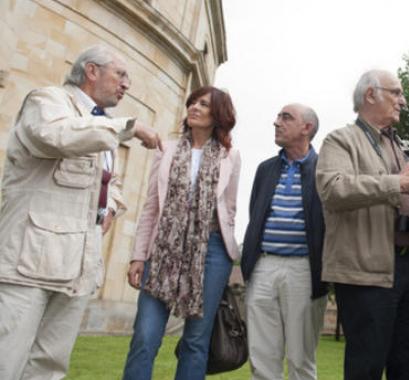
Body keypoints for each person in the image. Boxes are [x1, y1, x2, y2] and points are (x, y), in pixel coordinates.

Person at [0, 45, 161, 380]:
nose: (126, 84)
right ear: (91, 71)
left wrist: (112, 206)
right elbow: (52, 136)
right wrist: (126, 127)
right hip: (28, 261)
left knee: (49, 365)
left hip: (79, 262)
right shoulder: (48, 100)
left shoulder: (100, 124)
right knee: (7, 356)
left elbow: (108, 180)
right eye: (120, 74)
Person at [316, 69, 409, 380]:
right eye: (396, 92)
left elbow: (405, 201)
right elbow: (333, 189)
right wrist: (396, 182)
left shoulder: (401, 145)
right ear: (371, 94)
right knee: (366, 366)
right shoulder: (341, 140)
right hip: (367, 271)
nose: (403, 101)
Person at [122, 86, 240, 380]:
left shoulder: (230, 156)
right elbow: (151, 207)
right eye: (193, 102)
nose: (194, 108)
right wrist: (139, 256)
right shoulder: (168, 149)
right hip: (162, 248)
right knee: (145, 335)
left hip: (211, 251)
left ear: (218, 115)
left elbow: (230, 209)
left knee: (196, 341)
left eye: (203, 104)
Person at [241, 103, 328, 380]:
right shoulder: (265, 169)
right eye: (278, 116)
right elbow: (255, 213)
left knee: (301, 358)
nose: (276, 122)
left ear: (307, 128)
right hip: (263, 267)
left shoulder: (325, 170)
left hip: (304, 270)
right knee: (262, 357)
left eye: (286, 117)